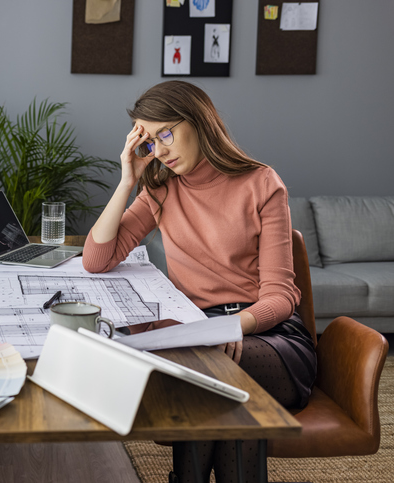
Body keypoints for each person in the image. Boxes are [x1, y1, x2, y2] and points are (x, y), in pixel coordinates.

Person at [82, 81, 317, 483]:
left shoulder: (262, 183)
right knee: (221, 386)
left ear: (200, 122)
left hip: (270, 337)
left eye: (166, 134)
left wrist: (224, 330)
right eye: (150, 142)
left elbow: (281, 296)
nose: (160, 150)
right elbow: (96, 259)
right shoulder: (160, 189)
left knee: (212, 369)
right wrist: (128, 180)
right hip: (200, 339)